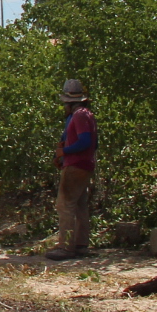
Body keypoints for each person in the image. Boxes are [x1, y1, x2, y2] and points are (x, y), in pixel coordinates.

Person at [47, 78, 96, 260]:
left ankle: (66, 247)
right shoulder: (86, 115)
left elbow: (85, 142)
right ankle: (81, 245)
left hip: (76, 166)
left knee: (65, 205)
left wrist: (64, 152)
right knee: (79, 205)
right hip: (84, 164)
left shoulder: (80, 115)